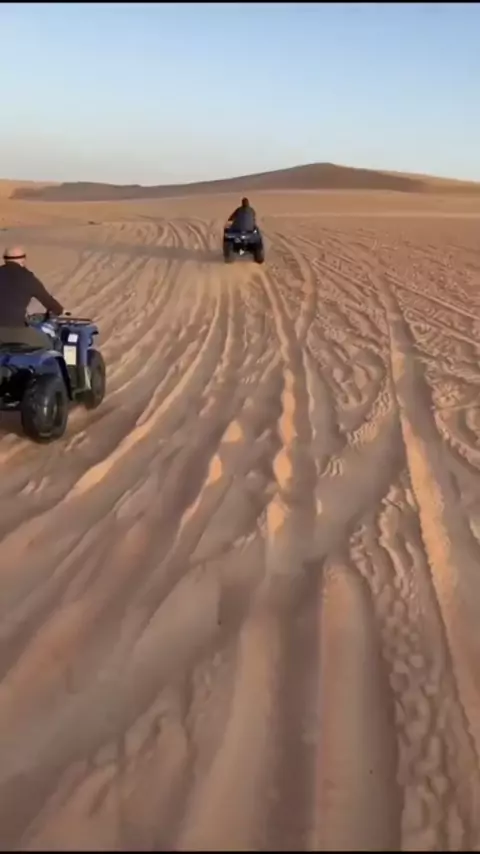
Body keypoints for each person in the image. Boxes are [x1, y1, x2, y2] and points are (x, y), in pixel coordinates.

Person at [0, 245, 64, 348]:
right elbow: (48, 301)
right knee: (49, 344)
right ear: (23, 260)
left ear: (5, 259)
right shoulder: (27, 277)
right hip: (16, 332)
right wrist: (58, 310)